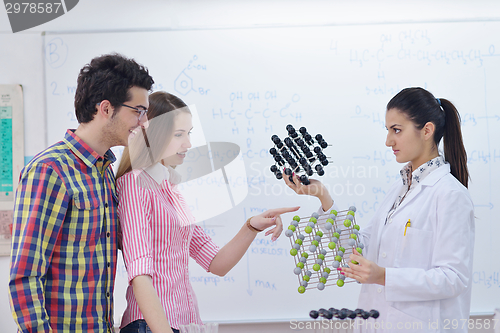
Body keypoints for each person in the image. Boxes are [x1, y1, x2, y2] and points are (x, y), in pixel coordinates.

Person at [284, 87, 474, 333]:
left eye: (397, 130)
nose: (388, 141)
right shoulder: (400, 188)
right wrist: (323, 197)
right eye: (387, 130)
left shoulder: (450, 194)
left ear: (427, 130)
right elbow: (361, 247)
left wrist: (383, 276)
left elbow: (453, 278)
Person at [115, 91, 299, 333]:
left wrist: (251, 226)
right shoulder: (135, 183)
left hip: (182, 323)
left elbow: (216, 263)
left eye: (188, 134)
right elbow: (139, 275)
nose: (188, 144)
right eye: (179, 135)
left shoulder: (171, 189)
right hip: (152, 326)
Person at [9, 53, 154, 333]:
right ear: (106, 108)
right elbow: (25, 275)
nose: (144, 121)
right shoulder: (49, 169)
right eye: (138, 110)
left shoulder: (105, 171)